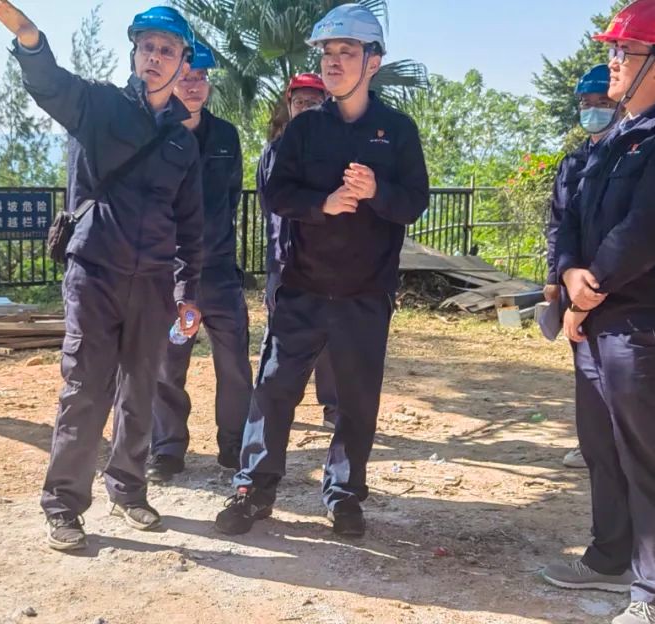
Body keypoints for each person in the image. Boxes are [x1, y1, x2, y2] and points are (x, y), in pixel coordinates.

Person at [0, 0, 204, 550]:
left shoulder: (182, 141)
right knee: (85, 389)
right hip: (95, 272)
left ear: (183, 63)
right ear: (135, 53)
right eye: (147, 47)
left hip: (153, 282)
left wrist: (186, 290)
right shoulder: (98, 106)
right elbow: (50, 85)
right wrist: (29, 38)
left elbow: (192, 225)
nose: (154, 57)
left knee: (141, 389)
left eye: (167, 50)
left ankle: (128, 488)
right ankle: (63, 506)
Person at [214, 3, 428, 538]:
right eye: (328, 53)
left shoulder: (398, 131)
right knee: (274, 390)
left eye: (346, 52)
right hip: (302, 287)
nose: (333, 62)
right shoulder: (305, 128)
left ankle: (345, 495)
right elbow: (275, 193)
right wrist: (322, 204)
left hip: (365, 294)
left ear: (373, 61)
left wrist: (376, 191)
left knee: (356, 401)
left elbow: (414, 203)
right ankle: (253, 488)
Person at [541, 2, 655, 623]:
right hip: (591, 319)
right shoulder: (614, 140)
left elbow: (646, 231)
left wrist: (589, 289)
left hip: (640, 323)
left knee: (642, 457)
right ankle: (609, 554)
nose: (613, 61)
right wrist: (568, 273)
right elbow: (570, 216)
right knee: (599, 447)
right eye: (614, 49)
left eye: (624, 51)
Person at [147, 42, 253, 483]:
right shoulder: (156, 132)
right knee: (167, 364)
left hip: (220, 271)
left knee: (235, 363)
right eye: (187, 77)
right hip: (171, 274)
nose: (194, 86)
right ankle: (167, 449)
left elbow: (231, 197)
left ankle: (235, 445)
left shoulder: (226, 136)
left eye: (202, 78)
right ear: (173, 79)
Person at [257, 72, 340, 431]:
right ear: (289, 106)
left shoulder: (337, 151)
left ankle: (334, 407)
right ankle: (269, 406)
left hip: (327, 262)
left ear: (326, 104)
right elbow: (268, 206)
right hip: (284, 261)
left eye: (314, 101)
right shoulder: (273, 153)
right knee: (277, 335)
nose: (306, 107)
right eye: (299, 101)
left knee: (331, 336)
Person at [545, 63, 619, 471]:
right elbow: (559, 223)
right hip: (577, 282)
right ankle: (590, 442)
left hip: (620, 279)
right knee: (586, 364)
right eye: (586, 103)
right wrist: (555, 276)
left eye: (602, 102)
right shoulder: (574, 163)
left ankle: (625, 444)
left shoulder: (636, 157)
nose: (593, 110)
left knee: (622, 367)